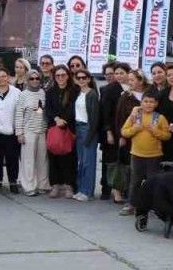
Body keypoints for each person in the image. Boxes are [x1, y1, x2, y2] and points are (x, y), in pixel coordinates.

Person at [120, 92, 171, 215]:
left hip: (154, 156)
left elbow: (167, 136)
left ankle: (153, 205)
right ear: (141, 102)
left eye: (151, 102)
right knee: (135, 181)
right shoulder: (135, 116)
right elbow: (124, 131)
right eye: (146, 101)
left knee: (152, 181)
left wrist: (155, 131)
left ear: (156, 104)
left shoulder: (160, 118)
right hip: (136, 154)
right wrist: (135, 129)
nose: (148, 104)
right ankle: (132, 204)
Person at [112, 71, 149, 203]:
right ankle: (118, 190)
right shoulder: (125, 96)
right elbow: (119, 117)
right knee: (125, 164)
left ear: (141, 80)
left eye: (132, 80)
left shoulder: (149, 94)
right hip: (128, 135)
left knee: (140, 167)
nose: (129, 82)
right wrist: (121, 136)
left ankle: (137, 193)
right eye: (129, 80)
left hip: (145, 135)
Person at [44, 65, 77, 199]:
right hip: (54, 128)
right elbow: (48, 109)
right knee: (53, 157)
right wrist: (56, 119)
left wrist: (65, 120)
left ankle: (69, 185)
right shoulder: (50, 91)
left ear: (68, 76)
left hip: (69, 128)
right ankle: (55, 185)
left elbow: (74, 108)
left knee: (69, 158)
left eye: (63, 75)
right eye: (58, 75)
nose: (60, 78)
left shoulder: (74, 91)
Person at [15, 68, 48, 196]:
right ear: (27, 80)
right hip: (28, 131)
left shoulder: (43, 92)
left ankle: (42, 185)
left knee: (42, 160)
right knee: (28, 160)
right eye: (31, 78)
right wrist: (19, 133)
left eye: (37, 78)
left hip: (42, 130)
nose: (35, 80)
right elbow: (19, 114)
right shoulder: (23, 94)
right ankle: (29, 187)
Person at [68, 69, 99, 202]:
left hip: (88, 129)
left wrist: (90, 135)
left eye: (84, 77)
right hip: (78, 127)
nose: (81, 80)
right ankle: (81, 189)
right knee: (81, 161)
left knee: (88, 162)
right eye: (78, 78)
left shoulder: (92, 94)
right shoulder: (78, 93)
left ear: (88, 79)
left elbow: (94, 117)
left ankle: (87, 191)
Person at [98, 63, 125, 200]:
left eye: (112, 73)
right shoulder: (106, 89)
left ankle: (120, 188)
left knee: (122, 160)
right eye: (107, 74)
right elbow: (105, 113)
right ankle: (107, 188)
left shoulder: (128, 88)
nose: (110, 76)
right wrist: (108, 131)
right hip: (109, 130)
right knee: (109, 160)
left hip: (124, 130)